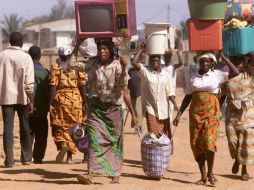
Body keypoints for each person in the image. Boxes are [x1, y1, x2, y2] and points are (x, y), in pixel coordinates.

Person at [173, 52, 239, 186]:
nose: (204, 64)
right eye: (202, 61)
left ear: (212, 63)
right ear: (199, 62)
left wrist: (223, 56)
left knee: (209, 143)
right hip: (195, 115)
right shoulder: (193, 77)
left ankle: (210, 172)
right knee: (197, 144)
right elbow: (188, 97)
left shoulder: (218, 75)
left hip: (211, 114)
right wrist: (179, 113)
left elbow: (236, 72)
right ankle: (203, 175)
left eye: (208, 61)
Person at [76, 38, 136, 184]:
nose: (102, 52)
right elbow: (71, 64)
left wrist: (133, 114)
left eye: (105, 49)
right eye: (100, 49)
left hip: (113, 110)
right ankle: (91, 173)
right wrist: (78, 44)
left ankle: (115, 172)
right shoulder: (92, 64)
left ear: (110, 50)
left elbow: (123, 88)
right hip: (96, 109)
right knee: (94, 138)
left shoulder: (117, 66)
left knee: (114, 142)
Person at [0, 32, 34, 167]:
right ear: (21, 42)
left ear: (9, 41)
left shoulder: (1, 56)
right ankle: (26, 158)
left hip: (6, 97)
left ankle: (9, 160)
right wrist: (32, 100)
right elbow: (29, 83)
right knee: (25, 127)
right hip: (23, 97)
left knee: (7, 127)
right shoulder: (26, 57)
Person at [49, 45, 87, 164]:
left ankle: (63, 144)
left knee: (60, 126)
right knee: (75, 127)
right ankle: (70, 158)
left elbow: (53, 87)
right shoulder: (77, 68)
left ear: (60, 56)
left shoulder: (56, 67)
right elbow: (82, 86)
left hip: (61, 101)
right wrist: (85, 101)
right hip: (75, 100)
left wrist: (49, 103)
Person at [132, 43, 178, 139]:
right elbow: (134, 63)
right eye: (152, 60)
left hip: (164, 110)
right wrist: (141, 50)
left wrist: (176, 106)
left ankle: (164, 153)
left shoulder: (165, 75)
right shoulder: (145, 72)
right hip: (151, 109)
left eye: (156, 60)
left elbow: (170, 93)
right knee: (154, 137)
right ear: (149, 62)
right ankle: (156, 152)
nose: (154, 62)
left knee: (164, 137)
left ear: (160, 62)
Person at [224, 55, 254, 181]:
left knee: (245, 143)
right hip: (231, 114)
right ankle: (237, 158)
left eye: (239, 62)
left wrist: (248, 53)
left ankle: (244, 169)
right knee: (232, 141)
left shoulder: (249, 75)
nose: (237, 64)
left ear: (245, 63)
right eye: (234, 61)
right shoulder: (226, 77)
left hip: (246, 113)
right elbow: (222, 97)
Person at [28, 46, 49, 164]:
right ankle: (38, 157)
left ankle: (26, 156)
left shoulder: (26, 70)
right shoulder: (45, 72)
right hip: (41, 109)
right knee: (41, 135)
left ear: (28, 55)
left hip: (27, 108)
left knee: (28, 132)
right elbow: (49, 91)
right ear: (40, 56)